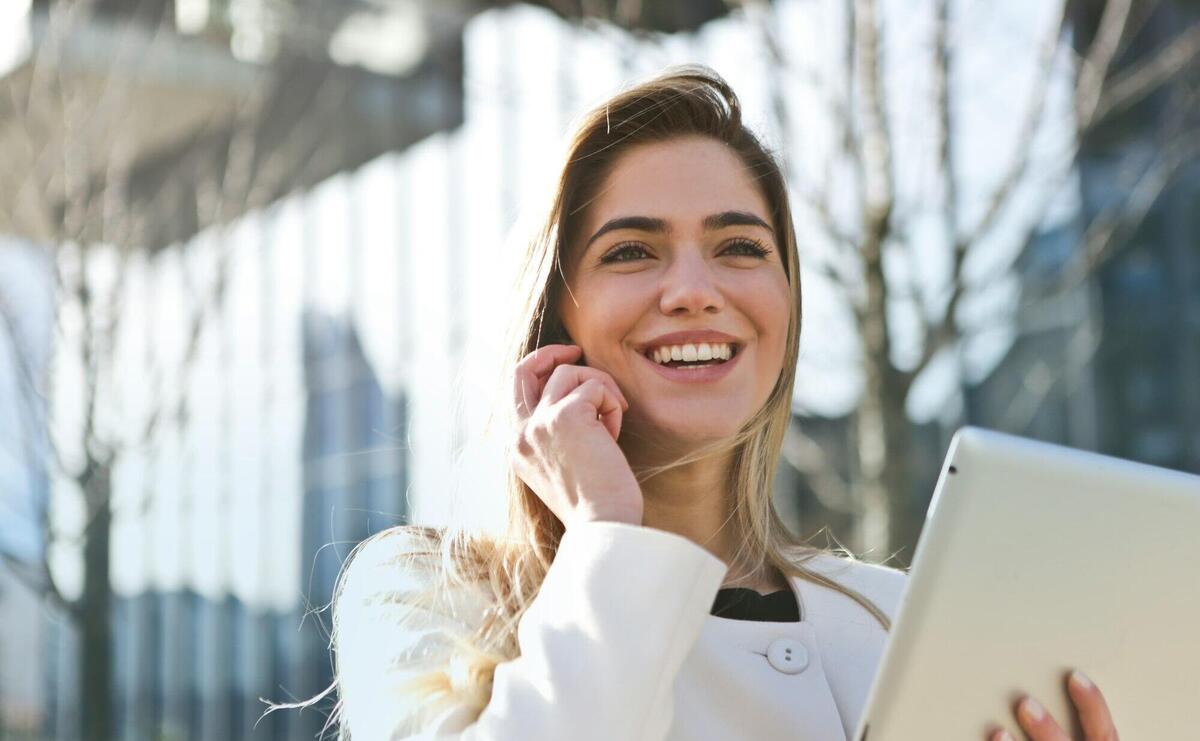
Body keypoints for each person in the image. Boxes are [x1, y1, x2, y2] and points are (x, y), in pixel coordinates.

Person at [326, 66, 1120, 740]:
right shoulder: (423, 597)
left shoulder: (900, 619)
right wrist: (606, 531)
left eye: (740, 247)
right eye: (632, 251)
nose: (694, 293)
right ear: (556, 315)